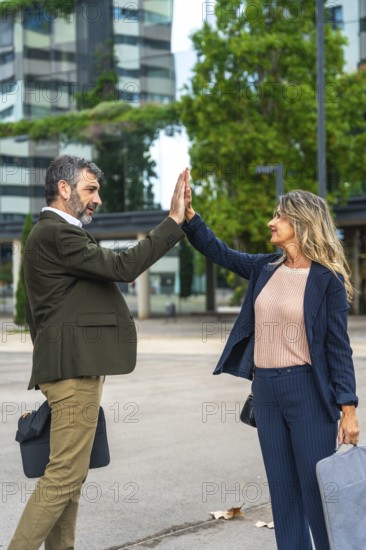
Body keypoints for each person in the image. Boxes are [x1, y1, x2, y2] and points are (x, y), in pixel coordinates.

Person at [8, 155, 186, 550]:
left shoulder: (53, 234)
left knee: (70, 473)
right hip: (72, 372)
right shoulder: (57, 233)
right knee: (64, 474)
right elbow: (123, 267)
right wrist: (173, 222)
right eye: (91, 190)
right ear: (64, 188)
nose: (98, 200)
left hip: (71, 367)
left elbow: (34, 313)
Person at [182, 170, 359, 550]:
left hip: (309, 392)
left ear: (301, 222)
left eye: (279, 216)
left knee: (317, 493)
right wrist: (190, 219)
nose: (271, 222)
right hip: (266, 390)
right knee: (283, 493)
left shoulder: (326, 280)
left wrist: (349, 410)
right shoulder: (266, 268)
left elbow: (337, 348)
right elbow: (221, 253)